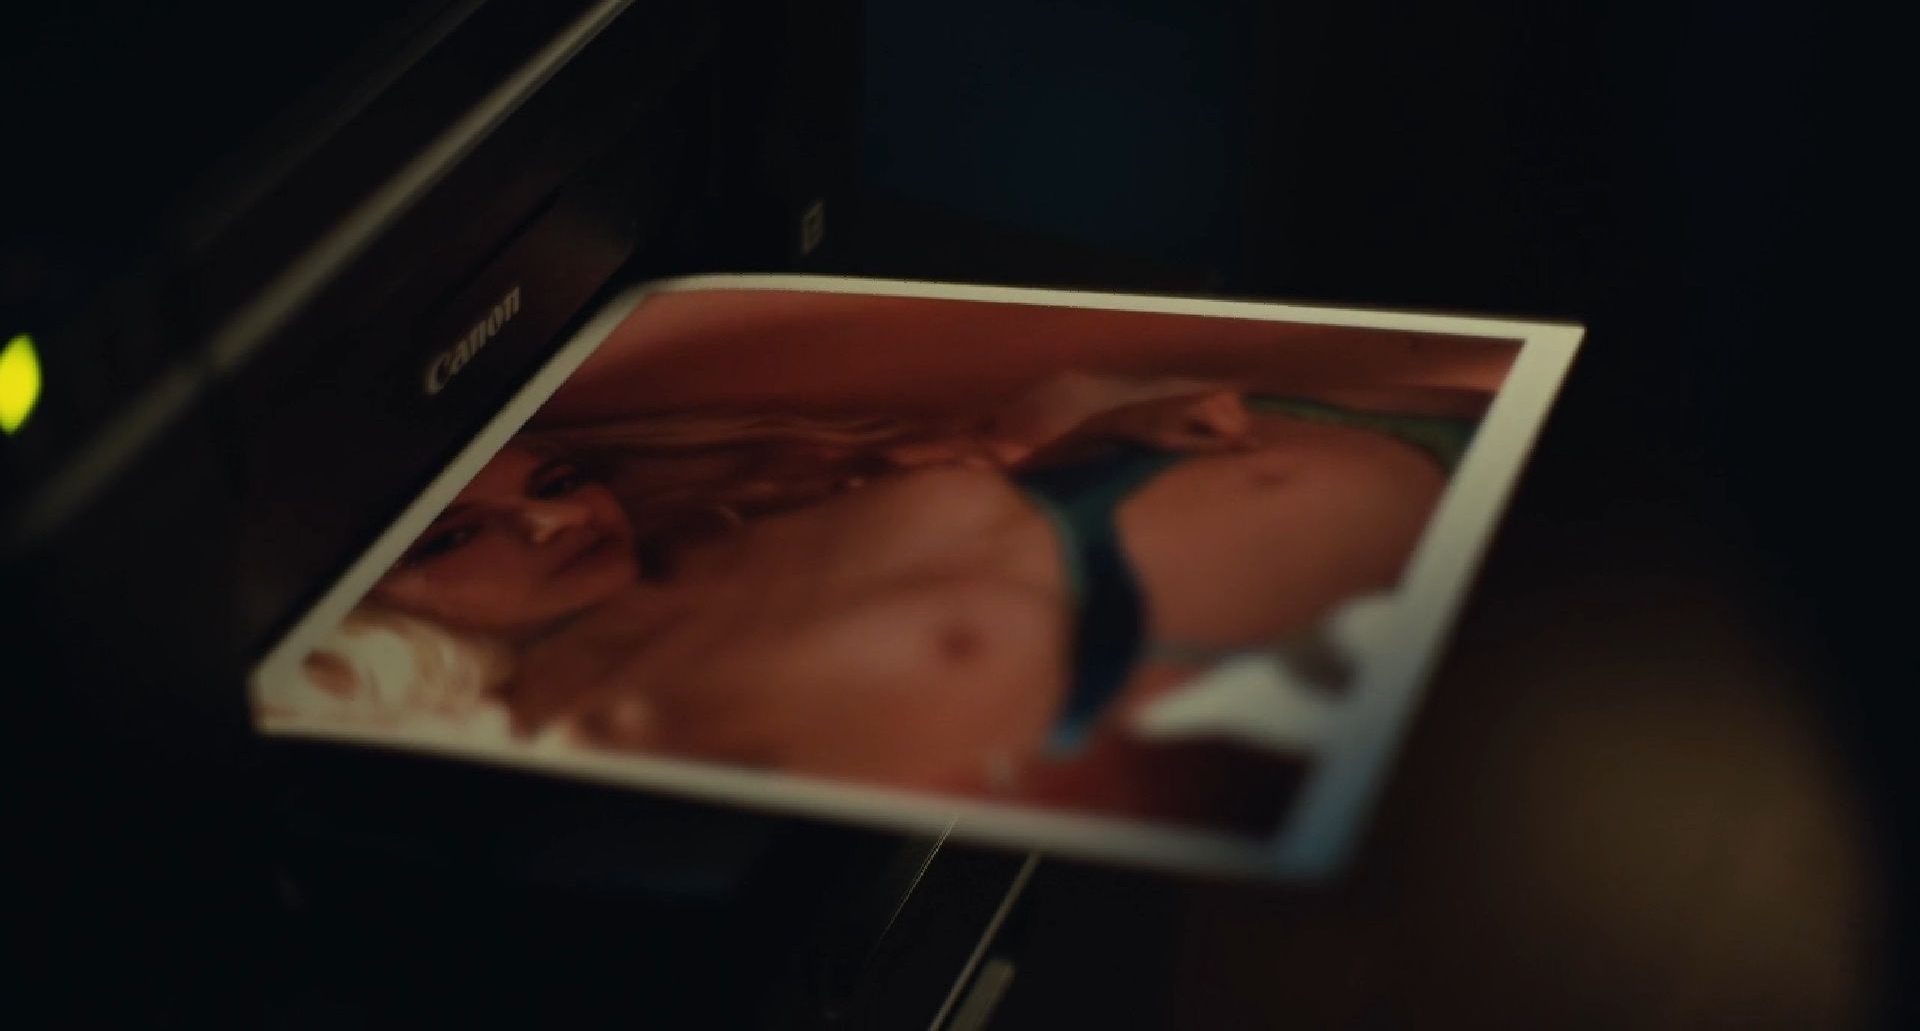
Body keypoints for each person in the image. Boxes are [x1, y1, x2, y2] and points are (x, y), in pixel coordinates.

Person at [293, 372, 1463, 834]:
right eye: (454, 537)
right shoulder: (519, 717)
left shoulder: (745, 524)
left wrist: (1102, 435)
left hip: (1371, 492)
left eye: (554, 481)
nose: (557, 520)